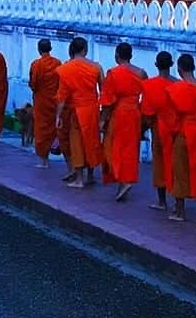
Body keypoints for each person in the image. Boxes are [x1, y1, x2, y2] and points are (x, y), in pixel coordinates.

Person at [167, 53, 196, 224]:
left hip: (181, 130)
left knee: (180, 169)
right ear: (194, 67)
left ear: (179, 69)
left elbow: (172, 115)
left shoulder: (175, 89)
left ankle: (180, 210)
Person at [56, 37, 104, 188]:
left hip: (76, 110)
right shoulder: (96, 67)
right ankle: (90, 175)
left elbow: (62, 96)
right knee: (91, 141)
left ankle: (79, 179)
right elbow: (104, 91)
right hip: (92, 109)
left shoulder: (65, 69)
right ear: (85, 50)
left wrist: (58, 116)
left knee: (77, 143)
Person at [100, 43, 145, 201]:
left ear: (117, 55)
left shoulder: (113, 73)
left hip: (119, 113)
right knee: (130, 149)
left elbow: (107, 101)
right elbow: (146, 94)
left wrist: (102, 120)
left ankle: (122, 180)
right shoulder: (141, 73)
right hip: (134, 112)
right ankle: (124, 182)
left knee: (113, 148)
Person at [140, 51, 177, 211]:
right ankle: (178, 202)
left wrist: (146, 128)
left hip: (158, 127)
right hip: (176, 128)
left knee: (160, 164)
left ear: (156, 65)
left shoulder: (149, 85)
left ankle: (162, 201)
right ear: (172, 65)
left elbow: (147, 112)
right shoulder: (178, 85)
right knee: (176, 164)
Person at [28, 38, 62, 169]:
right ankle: (49, 154)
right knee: (52, 127)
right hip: (54, 100)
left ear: (39, 49)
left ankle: (44, 159)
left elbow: (33, 83)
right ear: (50, 49)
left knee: (41, 129)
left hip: (41, 100)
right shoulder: (57, 63)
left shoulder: (36, 64)